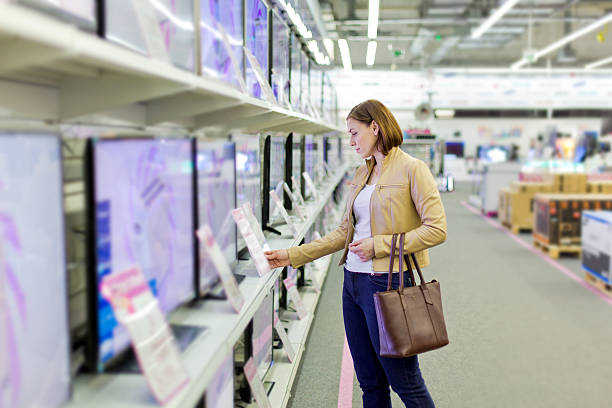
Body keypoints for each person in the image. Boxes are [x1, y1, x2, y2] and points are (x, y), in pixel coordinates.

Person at [265, 99, 447, 408]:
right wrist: (293, 255)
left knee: (406, 383)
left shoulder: (413, 169)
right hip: (352, 285)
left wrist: (379, 244)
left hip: (387, 284)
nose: (350, 142)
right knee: (370, 383)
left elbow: (437, 229)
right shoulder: (362, 174)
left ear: (375, 127)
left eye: (354, 133)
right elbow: (343, 233)